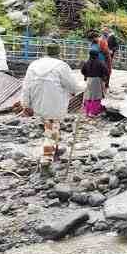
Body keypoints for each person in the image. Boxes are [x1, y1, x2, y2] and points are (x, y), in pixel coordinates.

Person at [21, 43, 82, 177]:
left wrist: (26, 104)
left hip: (38, 102)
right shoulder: (61, 66)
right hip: (54, 102)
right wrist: (84, 87)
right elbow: (73, 86)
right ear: (58, 53)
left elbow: (26, 86)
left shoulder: (34, 65)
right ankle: (46, 160)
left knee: (50, 127)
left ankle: (55, 150)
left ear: (46, 52)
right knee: (52, 130)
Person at [81, 49, 109, 118]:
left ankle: (87, 111)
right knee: (96, 96)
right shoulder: (100, 62)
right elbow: (106, 71)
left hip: (89, 80)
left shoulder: (87, 62)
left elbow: (82, 71)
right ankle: (94, 112)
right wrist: (104, 78)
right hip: (97, 81)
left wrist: (86, 76)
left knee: (89, 95)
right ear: (97, 55)